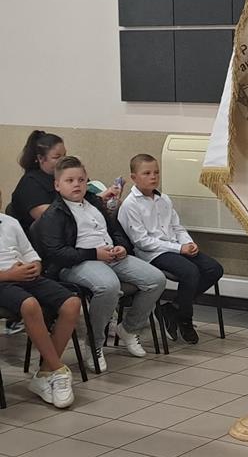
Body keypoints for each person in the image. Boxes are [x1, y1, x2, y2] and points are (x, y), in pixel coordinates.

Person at [32, 157, 166, 372]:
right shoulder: (54, 214)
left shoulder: (94, 202)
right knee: (109, 286)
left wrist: (121, 247)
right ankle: (94, 343)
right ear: (57, 185)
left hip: (111, 255)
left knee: (156, 279)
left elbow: (116, 230)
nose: (76, 185)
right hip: (78, 261)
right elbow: (57, 254)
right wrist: (94, 253)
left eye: (81, 180)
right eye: (69, 181)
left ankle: (129, 328)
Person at [117, 154, 223, 345]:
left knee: (214, 269)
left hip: (175, 247)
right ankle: (185, 319)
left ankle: (173, 308)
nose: (153, 177)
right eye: (147, 173)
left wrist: (188, 243)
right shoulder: (130, 205)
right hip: (152, 253)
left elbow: (177, 227)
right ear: (134, 177)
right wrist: (179, 248)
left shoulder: (163, 199)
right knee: (190, 272)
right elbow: (142, 242)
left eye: (156, 172)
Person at [0, 193, 81, 408]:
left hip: (25, 275)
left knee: (72, 304)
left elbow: (30, 253)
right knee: (30, 305)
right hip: (3, 281)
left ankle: (45, 372)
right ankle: (59, 370)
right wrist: (8, 275)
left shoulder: (9, 223)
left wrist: (35, 265)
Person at [11, 130, 120, 234]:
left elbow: (85, 200)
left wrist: (103, 200)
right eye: (57, 157)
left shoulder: (66, 174)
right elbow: (51, 219)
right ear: (41, 158)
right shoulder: (30, 184)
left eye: (64, 155)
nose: (63, 160)